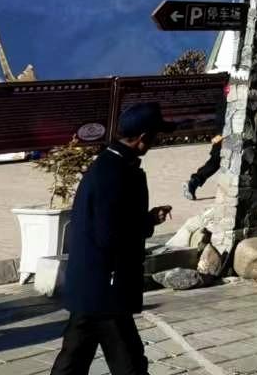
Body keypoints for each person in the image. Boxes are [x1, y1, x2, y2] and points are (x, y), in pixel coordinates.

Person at [50, 104, 172, 375]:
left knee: (75, 358)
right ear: (143, 138)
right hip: (106, 283)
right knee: (128, 363)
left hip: (95, 283)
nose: (157, 141)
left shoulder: (112, 163)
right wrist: (146, 223)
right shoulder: (114, 172)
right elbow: (109, 233)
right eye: (155, 135)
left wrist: (148, 219)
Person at [183, 133, 223, 201]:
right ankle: (193, 183)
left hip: (227, 140)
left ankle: (193, 183)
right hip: (225, 140)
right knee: (214, 164)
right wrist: (220, 136)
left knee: (214, 164)